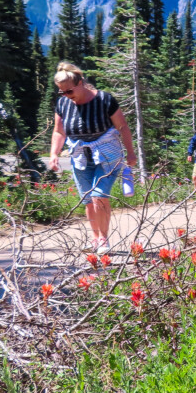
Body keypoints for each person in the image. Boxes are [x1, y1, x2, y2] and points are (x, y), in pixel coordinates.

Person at [47, 62, 137, 253]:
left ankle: (104, 239)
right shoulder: (63, 104)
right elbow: (59, 132)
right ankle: (95, 239)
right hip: (80, 156)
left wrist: (130, 152)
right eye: (61, 92)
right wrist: (54, 153)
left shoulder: (105, 100)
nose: (65, 95)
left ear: (80, 82)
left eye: (69, 91)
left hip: (107, 155)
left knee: (99, 196)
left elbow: (122, 127)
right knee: (88, 199)